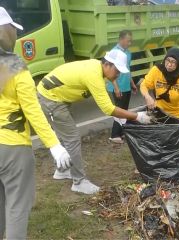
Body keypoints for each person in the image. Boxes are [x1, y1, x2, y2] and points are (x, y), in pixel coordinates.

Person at [37, 49, 151, 195]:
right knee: (72, 138)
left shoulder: (98, 67)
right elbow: (108, 109)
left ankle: (62, 170)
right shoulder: (94, 76)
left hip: (55, 96)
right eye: (117, 71)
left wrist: (124, 114)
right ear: (108, 65)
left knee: (66, 136)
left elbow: (109, 100)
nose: (118, 75)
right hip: (51, 100)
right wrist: (137, 116)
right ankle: (79, 182)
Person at [0, 7, 71, 238]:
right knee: (17, 207)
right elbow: (32, 110)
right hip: (12, 148)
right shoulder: (14, 66)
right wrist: (54, 144)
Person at [140, 47, 179, 126]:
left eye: (173, 62)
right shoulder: (157, 70)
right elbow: (144, 85)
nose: (169, 64)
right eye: (167, 60)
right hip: (161, 112)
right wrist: (147, 96)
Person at [107, 30, 138, 144]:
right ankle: (114, 135)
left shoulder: (128, 53)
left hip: (126, 86)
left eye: (130, 41)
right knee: (119, 110)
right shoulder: (114, 52)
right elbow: (110, 72)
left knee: (124, 110)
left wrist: (132, 84)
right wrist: (116, 87)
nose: (129, 43)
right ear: (121, 39)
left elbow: (127, 69)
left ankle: (121, 133)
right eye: (128, 41)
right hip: (117, 86)